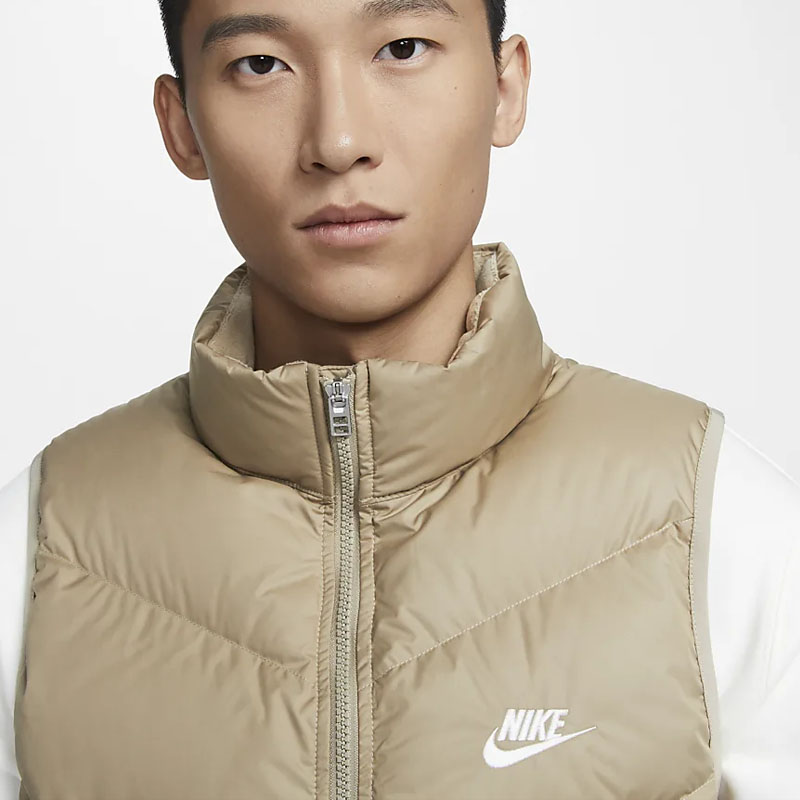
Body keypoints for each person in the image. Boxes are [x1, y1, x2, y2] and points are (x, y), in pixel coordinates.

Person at [1, 0, 798, 797]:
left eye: (404, 48)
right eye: (260, 65)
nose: (339, 141)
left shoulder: (717, 528)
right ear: (182, 126)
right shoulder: (42, 549)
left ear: (505, 88)